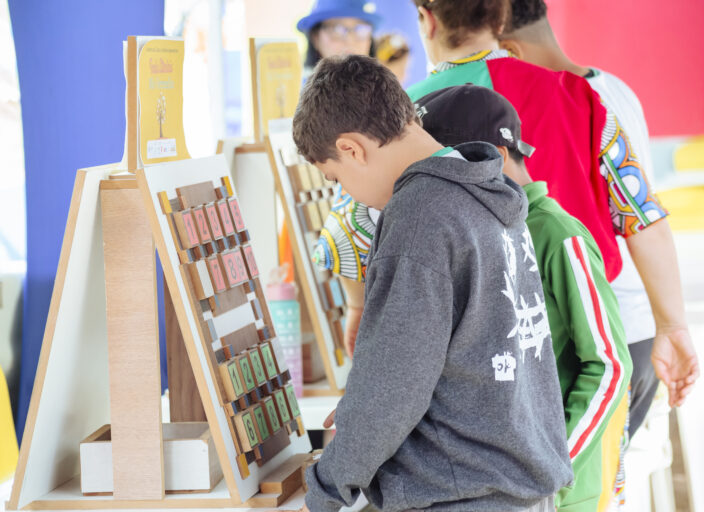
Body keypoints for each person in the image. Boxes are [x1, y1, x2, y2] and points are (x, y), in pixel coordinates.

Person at [315, 0, 698, 412]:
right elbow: (641, 215)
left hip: (478, 366)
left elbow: (349, 231)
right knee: (592, 471)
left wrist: (358, 308)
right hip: (593, 338)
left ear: (426, 20)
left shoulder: (404, 115)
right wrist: (671, 324)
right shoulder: (579, 96)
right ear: (501, 17)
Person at [294, 54, 571, 512]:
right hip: (518, 486)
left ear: (351, 149)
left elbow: (395, 382)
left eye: (337, 179)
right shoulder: (487, 192)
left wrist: (326, 488)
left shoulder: (421, 214)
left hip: (462, 494)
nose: (347, 193)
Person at [418, 84, 632, 511]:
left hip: (560, 492)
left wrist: (552, 470)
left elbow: (609, 366)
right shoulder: (478, 229)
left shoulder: (556, 231)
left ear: (495, 153)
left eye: (450, 164)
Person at [498, 0, 699, 439]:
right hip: (638, 327)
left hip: (600, 338)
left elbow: (639, 219)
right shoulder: (614, 89)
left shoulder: (561, 102)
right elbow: (644, 216)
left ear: (507, 51)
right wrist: (671, 322)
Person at [297, 0, 381, 75]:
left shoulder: (384, 87)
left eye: (361, 30)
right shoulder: (295, 90)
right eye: (337, 30)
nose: (350, 40)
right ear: (315, 38)